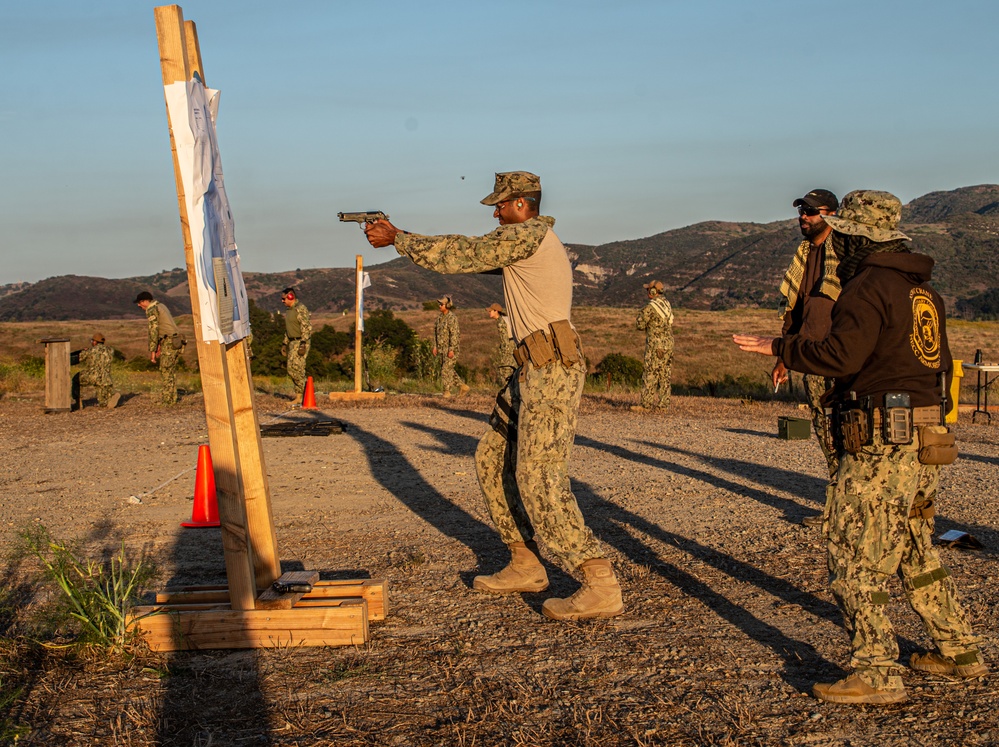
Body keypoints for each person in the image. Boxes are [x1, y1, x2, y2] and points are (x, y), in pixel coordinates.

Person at [734, 190, 987, 704]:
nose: (839, 245)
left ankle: (875, 670)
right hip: (924, 435)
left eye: (844, 236)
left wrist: (782, 347)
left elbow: (841, 354)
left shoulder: (867, 286)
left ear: (858, 238)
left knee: (853, 551)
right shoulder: (922, 292)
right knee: (915, 547)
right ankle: (959, 649)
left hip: (880, 439)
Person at [364, 170, 623, 620]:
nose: (496, 214)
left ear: (522, 203)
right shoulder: (520, 244)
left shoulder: (529, 236)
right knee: (491, 458)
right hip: (531, 369)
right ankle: (525, 562)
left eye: (501, 206)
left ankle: (598, 579)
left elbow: (465, 251)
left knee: (539, 474)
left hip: (552, 369)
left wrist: (400, 237)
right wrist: (407, 243)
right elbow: (468, 258)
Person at [776, 189, 841, 526]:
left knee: (850, 430)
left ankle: (849, 507)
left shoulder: (845, 254)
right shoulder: (803, 256)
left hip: (844, 356)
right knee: (825, 429)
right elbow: (794, 312)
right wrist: (783, 358)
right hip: (812, 356)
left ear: (830, 214)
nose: (804, 216)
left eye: (812, 212)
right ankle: (836, 505)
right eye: (802, 210)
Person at [134, 291, 184, 405]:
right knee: (170, 370)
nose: (139, 305)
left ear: (145, 301)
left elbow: (153, 331)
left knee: (166, 370)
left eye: (139, 302)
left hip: (170, 342)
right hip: (176, 341)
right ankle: (171, 398)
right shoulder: (161, 306)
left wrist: (153, 350)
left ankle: (168, 400)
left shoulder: (151, 310)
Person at [633, 280, 674, 412]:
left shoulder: (651, 307)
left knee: (650, 373)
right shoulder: (667, 304)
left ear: (653, 292)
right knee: (665, 374)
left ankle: (646, 404)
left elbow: (639, 324)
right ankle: (663, 405)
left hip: (656, 344)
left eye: (648, 290)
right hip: (668, 344)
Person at [433, 295, 469, 397]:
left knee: (445, 370)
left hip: (451, 349)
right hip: (441, 349)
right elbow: (435, 333)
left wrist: (452, 349)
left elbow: (455, 335)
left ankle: (447, 391)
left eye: (441, 304)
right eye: (439, 304)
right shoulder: (439, 318)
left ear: (447, 305)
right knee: (448, 369)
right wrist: (435, 346)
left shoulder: (452, 318)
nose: (439, 306)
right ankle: (462, 386)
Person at [280, 287, 312, 405]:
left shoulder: (300, 309)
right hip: (292, 342)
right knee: (291, 369)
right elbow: (288, 329)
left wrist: (303, 343)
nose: (282, 301)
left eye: (284, 299)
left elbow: (306, 327)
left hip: (300, 342)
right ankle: (300, 394)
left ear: (290, 297)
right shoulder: (289, 311)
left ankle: (303, 395)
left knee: (298, 368)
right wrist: (285, 343)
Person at [72, 333, 120, 409]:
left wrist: (83, 352)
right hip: (106, 378)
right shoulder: (110, 350)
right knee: (103, 401)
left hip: (92, 376)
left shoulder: (90, 351)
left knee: (75, 379)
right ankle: (108, 400)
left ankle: (78, 401)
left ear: (95, 342)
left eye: (92, 341)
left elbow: (76, 359)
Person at [488, 302, 517, 383]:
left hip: (508, 346)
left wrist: (504, 352)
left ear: (496, 311)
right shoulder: (506, 318)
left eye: (491, 311)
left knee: (505, 368)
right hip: (514, 344)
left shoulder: (500, 322)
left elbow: (504, 339)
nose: (489, 313)